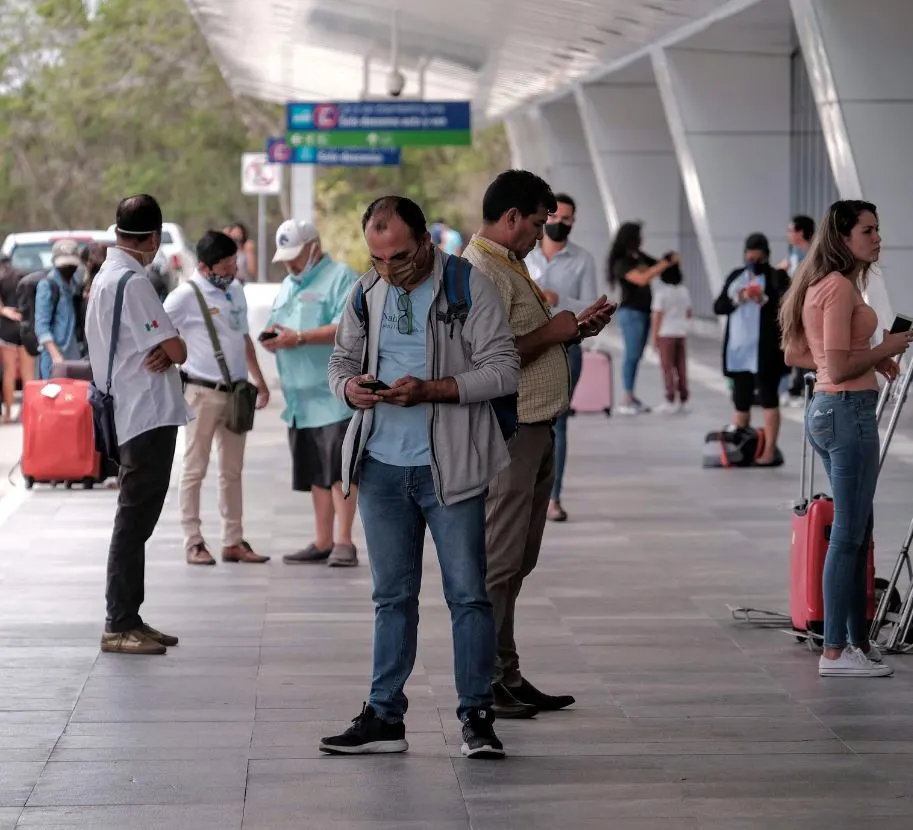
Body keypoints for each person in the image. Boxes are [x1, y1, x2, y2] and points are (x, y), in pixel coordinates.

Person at [321, 195, 520, 759]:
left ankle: (478, 716)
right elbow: (340, 362)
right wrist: (349, 388)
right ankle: (384, 716)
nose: (390, 269)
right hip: (382, 468)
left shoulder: (466, 285)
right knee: (391, 597)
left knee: (468, 596)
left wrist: (432, 389)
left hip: (449, 468)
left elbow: (503, 370)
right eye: (378, 258)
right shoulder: (365, 292)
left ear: (427, 240)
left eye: (401, 257)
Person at [463, 170, 617, 719]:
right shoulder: (481, 269)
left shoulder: (510, 264)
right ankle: (486, 682)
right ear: (510, 218)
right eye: (535, 223)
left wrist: (574, 329)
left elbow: (527, 337)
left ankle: (507, 671)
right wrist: (555, 332)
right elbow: (489, 355)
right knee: (500, 562)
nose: (540, 234)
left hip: (536, 424)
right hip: (510, 429)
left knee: (519, 558)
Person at [780, 200, 913, 677]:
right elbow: (834, 367)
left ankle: (857, 640)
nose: (877, 238)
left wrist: (871, 358)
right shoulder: (837, 288)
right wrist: (885, 347)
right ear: (842, 237)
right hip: (846, 412)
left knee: (859, 534)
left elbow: (802, 353)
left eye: (878, 229)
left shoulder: (825, 285)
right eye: (868, 230)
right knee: (848, 537)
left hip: (834, 410)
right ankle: (835, 651)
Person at [85, 194, 190, 656]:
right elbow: (179, 351)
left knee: (136, 520)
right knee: (133, 520)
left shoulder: (106, 278)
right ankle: (118, 623)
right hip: (145, 414)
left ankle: (130, 615)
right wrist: (172, 345)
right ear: (153, 236)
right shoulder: (133, 281)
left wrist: (167, 346)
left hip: (128, 409)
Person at [163, 231, 270, 566]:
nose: (234, 268)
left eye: (235, 261)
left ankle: (233, 540)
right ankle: (193, 540)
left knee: (232, 471)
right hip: (201, 393)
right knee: (194, 469)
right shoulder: (185, 296)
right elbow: (158, 333)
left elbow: (242, 338)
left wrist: (260, 381)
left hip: (236, 393)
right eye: (228, 263)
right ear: (207, 267)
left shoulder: (235, 291)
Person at [262, 219, 360, 567]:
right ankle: (322, 541)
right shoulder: (288, 284)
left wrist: (300, 338)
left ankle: (344, 542)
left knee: (339, 472)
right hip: (300, 401)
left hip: (331, 395)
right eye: (286, 257)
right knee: (316, 474)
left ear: (314, 248)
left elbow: (346, 327)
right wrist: (275, 339)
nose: (289, 263)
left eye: (295, 254)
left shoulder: (341, 277)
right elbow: (281, 324)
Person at [525, 192, 599, 522]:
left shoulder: (583, 259)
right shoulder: (524, 255)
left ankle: (553, 497)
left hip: (566, 347)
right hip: (526, 346)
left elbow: (590, 307)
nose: (558, 224)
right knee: (524, 420)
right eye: (552, 218)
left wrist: (558, 298)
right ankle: (524, 493)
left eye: (565, 219)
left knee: (559, 421)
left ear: (573, 221)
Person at [713, 233, 789, 466]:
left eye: (757, 257)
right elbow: (719, 306)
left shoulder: (776, 277)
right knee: (740, 403)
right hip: (738, 353)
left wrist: (763, 299)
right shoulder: (737, 276)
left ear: (765, 257)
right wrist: (740, 297)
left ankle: (769, 451)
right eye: (749, 256)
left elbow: (786, 307)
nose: (752, 261)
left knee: (769, 400)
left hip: (765, 353)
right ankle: (741, 448)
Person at [607, 222, 678, 415]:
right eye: (639, 235)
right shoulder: (621, 262)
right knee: (631, 355)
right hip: (631, 312)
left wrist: (668, 261)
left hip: (645, 311)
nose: (642, 239)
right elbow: (642, 278)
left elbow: (657, 267)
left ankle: (631, 396)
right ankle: (627, 397)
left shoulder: (639, 256)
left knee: (637, 355)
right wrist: (663, 264)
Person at [779, 215, 817, 407]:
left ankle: (804, 390)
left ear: (801, 232)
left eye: (791, 230)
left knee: (805, 348)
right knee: (794, 347)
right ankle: (795, 388)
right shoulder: (793, 253)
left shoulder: (811, 256)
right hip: (793, 309)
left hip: (805, 309)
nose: (788, 234)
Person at [35, 239, 84, 379]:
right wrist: (56, 356)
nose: (68, 267)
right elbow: (41, 325)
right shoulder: (47, 285)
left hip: (75, 355)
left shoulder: (76, 286)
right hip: (54, 358)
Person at [651, 261, 692, 414]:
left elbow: (657, 316)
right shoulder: (684, 291)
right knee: (681, 367)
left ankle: (670, 399)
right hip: (681, 333)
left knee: (667, 368)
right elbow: (689, 312)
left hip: (666, 333)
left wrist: (654, 337)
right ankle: (684, 399)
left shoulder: (661, 293)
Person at [0, 256, 25, 422]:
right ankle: (25, 414)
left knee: (9, 371)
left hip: (7, 326)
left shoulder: (1, 279)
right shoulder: (23, 277)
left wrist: (4, 311)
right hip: (25, 324)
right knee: (27, 373)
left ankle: (8, 413)